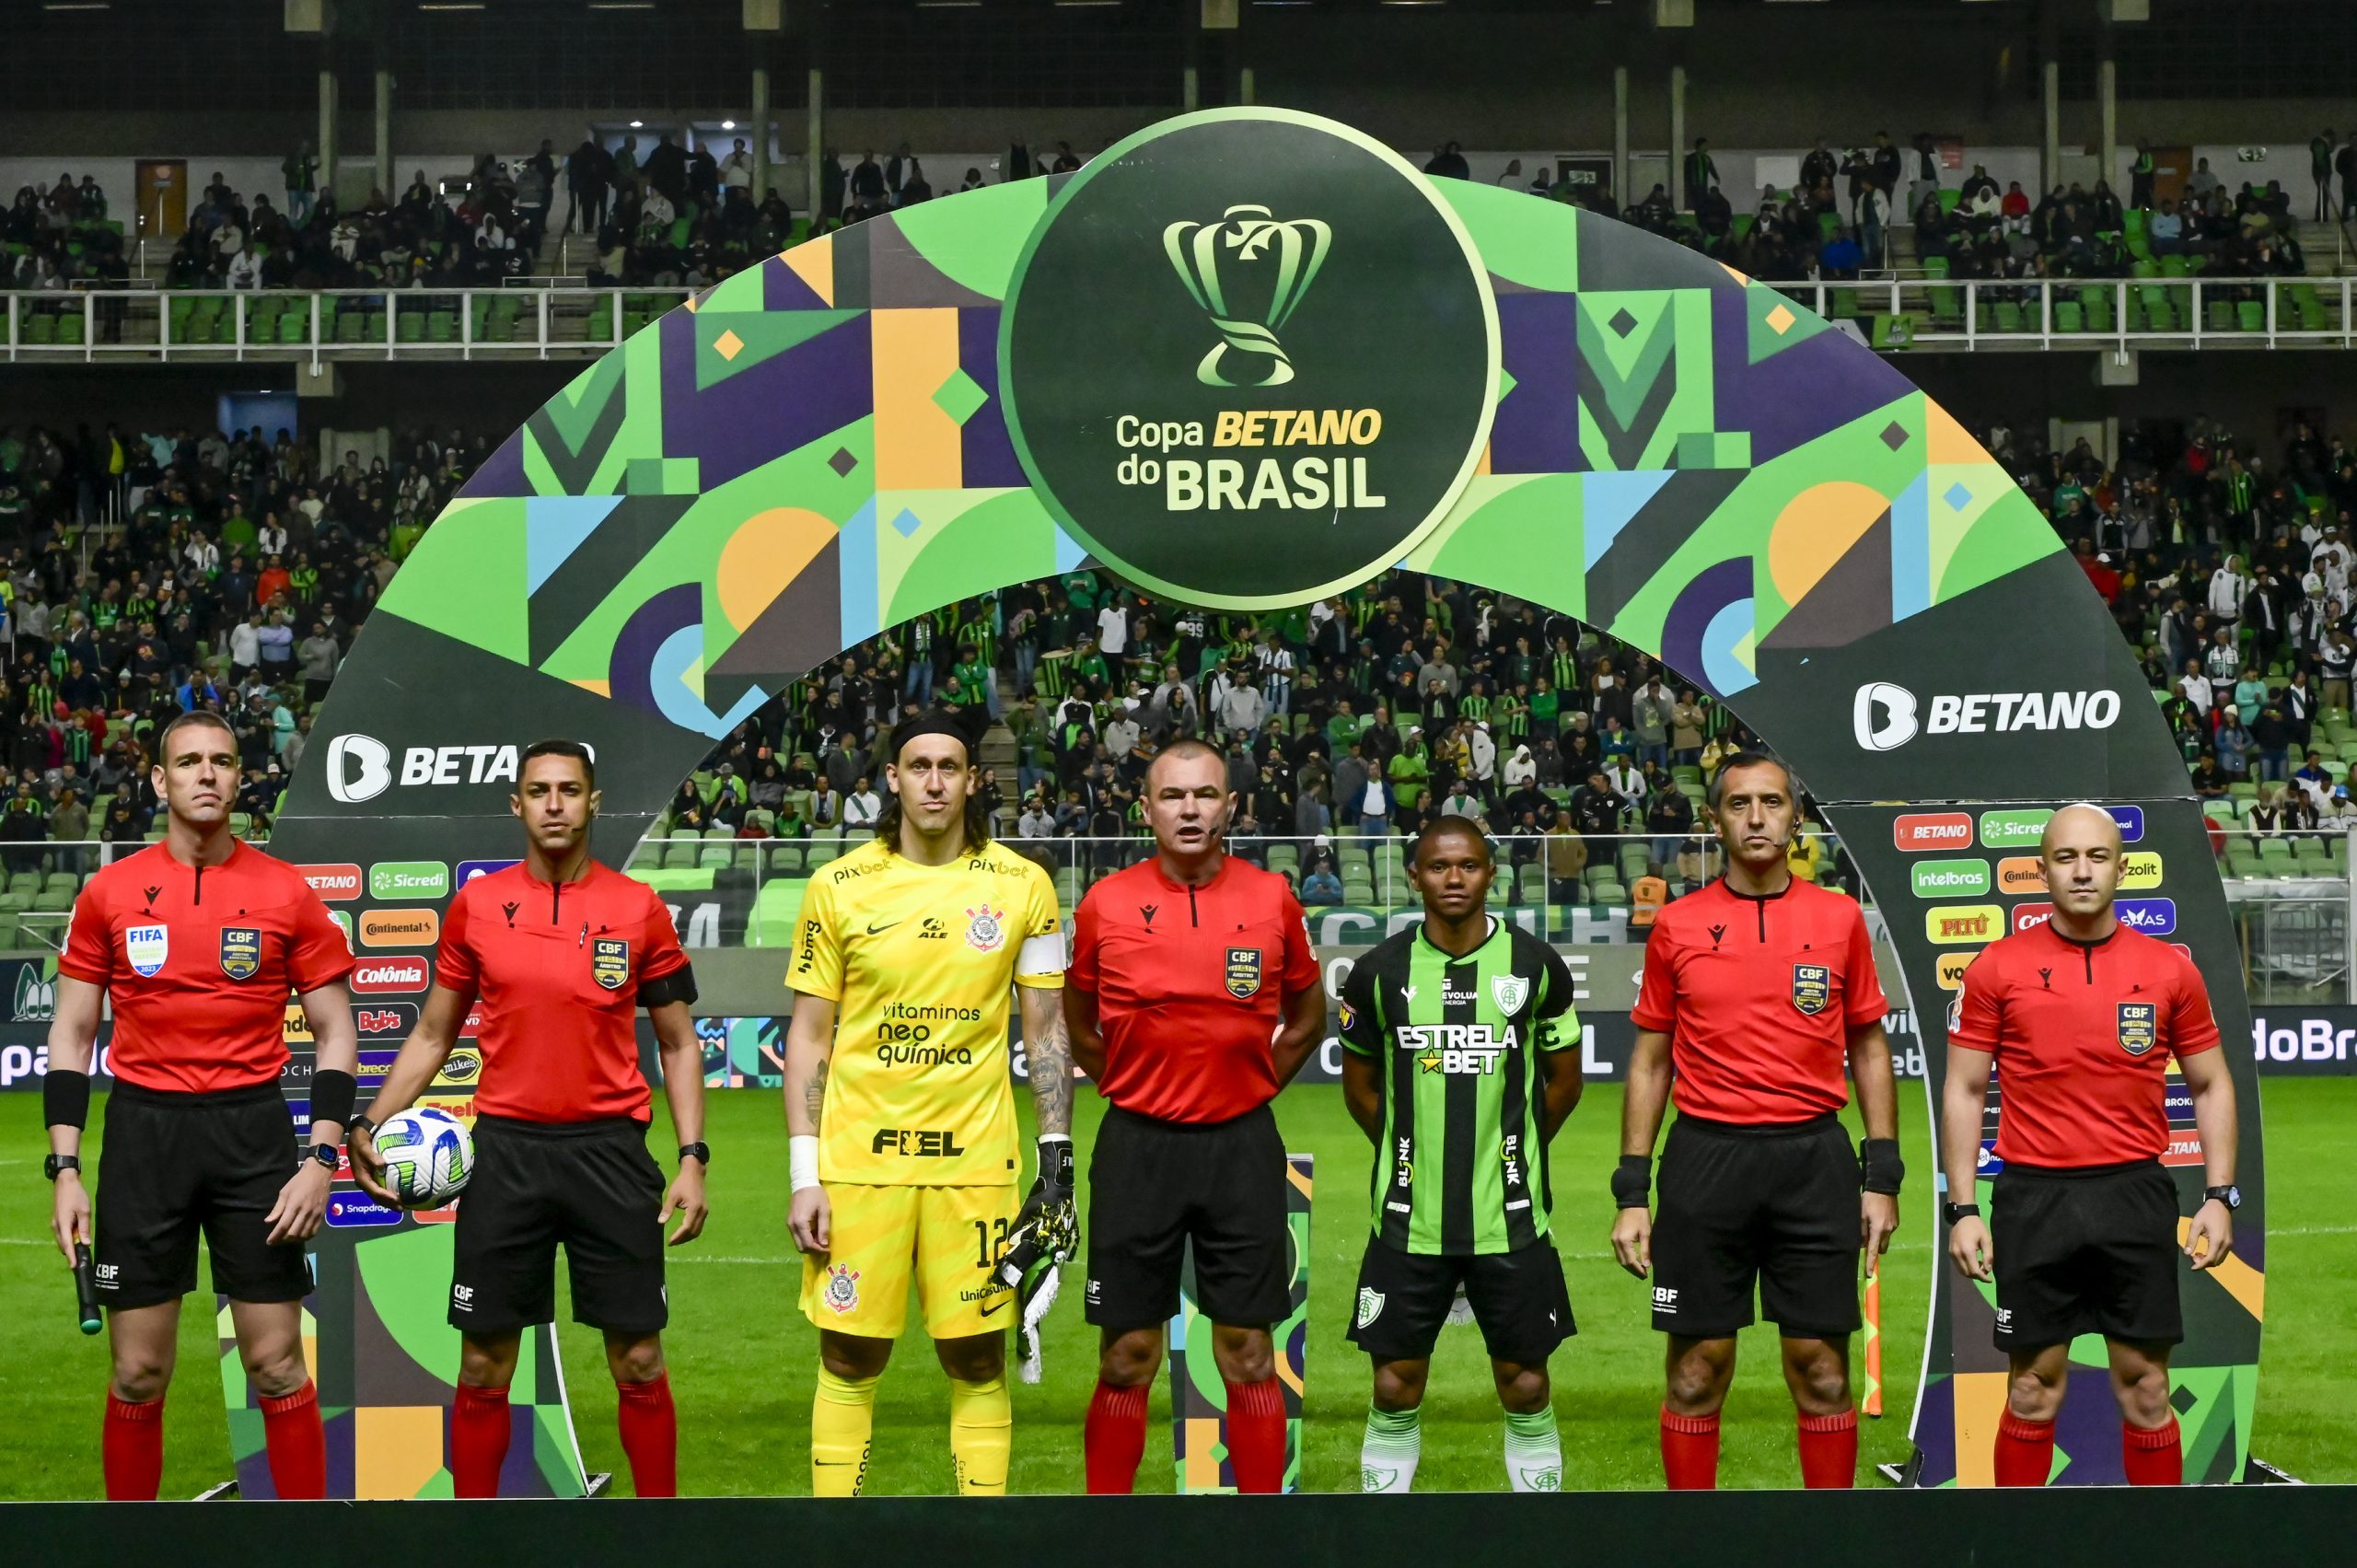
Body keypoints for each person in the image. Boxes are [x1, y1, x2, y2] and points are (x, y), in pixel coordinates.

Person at [348, 738, 706, 1499]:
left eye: (569, 790)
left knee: (639, 1359)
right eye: (539, 790)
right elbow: (432, 1033)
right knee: (483, 1364)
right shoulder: (477, 905)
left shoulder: (637, 907)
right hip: (504, 1156)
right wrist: (370, 1120)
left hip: (609, 1152)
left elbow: (677, 1042)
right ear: (517, 804)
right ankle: (475, 1539)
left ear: (592, 801)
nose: (554, 803)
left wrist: (693, 1157)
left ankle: (663, 1536)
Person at [45, 710, 359, 1500]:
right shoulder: (109, 892)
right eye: (189, 762)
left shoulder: (284, 891)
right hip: (144, 1138)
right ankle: (130, 1551)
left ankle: (305, 1552)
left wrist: (322, 1158)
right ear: (160, 780)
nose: (207, 774)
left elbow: (337, 1030)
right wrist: (65, 1170)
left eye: (222, 760)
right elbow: (72, 1032)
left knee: (278, 1362)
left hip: (251, 1134)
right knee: (138, 1370)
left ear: (240, 776)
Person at [782, 712, 1073, 1497]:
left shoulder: (1024, 886)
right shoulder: (837, 887)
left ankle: (983, 1536)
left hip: (975, 1166)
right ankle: (832, 1540)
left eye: (950, 767)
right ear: (893, 779)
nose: (935, 781)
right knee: (848, 1354)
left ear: (975, 779)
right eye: (919, 767)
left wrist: (1057, 1161)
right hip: (856, 1167)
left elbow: (1046, 1028)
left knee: (976, 1356)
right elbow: (809, 1036)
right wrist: (804, 1172)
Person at [1612, 751, 1900, 1490]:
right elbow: (1650, 1062)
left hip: (1814, 1162)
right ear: (1716, 820)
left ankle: (1828, 1546)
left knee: (1825, 1372)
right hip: (1706, 1163)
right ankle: (1693, 1546)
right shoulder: (1677, 924)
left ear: (1795, 817)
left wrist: (1882, 1175)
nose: (1757, 817)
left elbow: (1869, 1045)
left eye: (1771, 802)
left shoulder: (1838, 917)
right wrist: (1632, 1190)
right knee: (1697, 1371)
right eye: (1739, 804)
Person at [1942, 804, 2238, 1486]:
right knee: (2031, 1389)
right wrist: (1962, 1207)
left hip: (2133, 1195)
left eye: (2097, 856)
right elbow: (1963, 1091)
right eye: (2067, 857)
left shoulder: (2168, 969)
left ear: (2121, 867)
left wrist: (2220, 1195)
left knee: (2147, 1388)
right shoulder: (1996, 968)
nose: (2082, 870)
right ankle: (2021, 1548)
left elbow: (2212, 1083)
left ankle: (2158, 1547)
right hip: (2033, 1197)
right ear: (2042, 867)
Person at [1066, 738, 1325, 1494]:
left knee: (1247, 1349)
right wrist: (1127, 1083)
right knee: (1127, 1354)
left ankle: (1256, 1534)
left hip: (1240, 1147)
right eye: (1173, 796)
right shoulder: (1105, 902)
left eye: (1205, 794)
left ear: (1231, 805)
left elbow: (1307, 1016)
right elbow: (1078, 1023)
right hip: (1137, 1145)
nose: (1189, 809)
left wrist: (1250, 1088)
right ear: (1145, 808)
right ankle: (1106, 1533)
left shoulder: (1272, 897)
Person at [1339, 818, 1581, 1493]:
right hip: (1406, 1218)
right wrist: (1406, 1152)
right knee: (1393, 1381)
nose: (1454, 878)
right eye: (1439, 866)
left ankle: (1537, 1531)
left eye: (1468, 865)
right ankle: (1385, 1531)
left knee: (1526, 1381)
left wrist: (1515, 1152)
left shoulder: (1534, 965)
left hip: (1513, 1217)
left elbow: (1563, 1082)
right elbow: (1361, 1088)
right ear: (1415, 875)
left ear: (1490, 874)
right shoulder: (1377, 973)